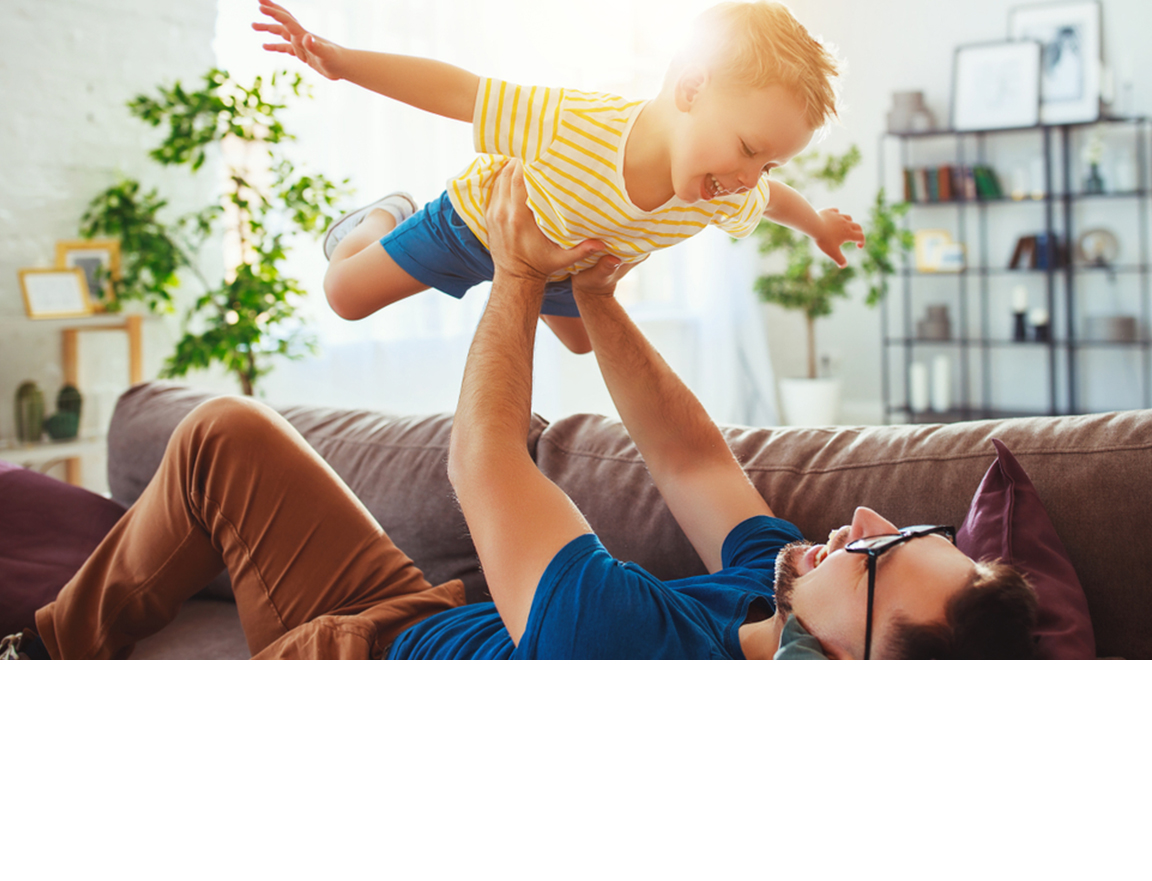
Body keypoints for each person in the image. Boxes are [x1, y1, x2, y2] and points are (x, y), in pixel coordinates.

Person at [6, 163, 1037, 663]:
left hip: (343, 669)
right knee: (221, 433)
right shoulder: (766, 591)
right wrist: (592, 292)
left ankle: (38, 666)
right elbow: (685, 453)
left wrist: (512, 273)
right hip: (412, 610)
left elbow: (485, 462)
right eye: (904, 528)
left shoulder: (628, 655)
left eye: (881, 554)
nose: (862, 523)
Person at [252, 0, 865, 354]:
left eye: (768, 163)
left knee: (583, 343)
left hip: (563, 265)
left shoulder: (723, 193)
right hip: (473, 228)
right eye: (749, 149)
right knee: (344, 297)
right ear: (691, 87)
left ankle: (536, 281)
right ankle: (385, 214)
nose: (748, 177)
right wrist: (341, 62)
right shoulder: (572, 122)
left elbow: (771, 201)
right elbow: (460, 91)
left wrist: (817, 226)